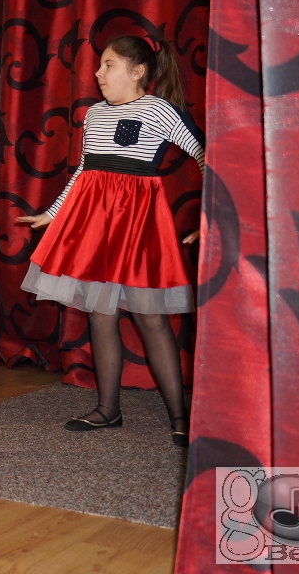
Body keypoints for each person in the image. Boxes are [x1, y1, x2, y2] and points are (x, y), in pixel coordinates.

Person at [16, 34, 203, 447]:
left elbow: (207, 156)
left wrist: (213, 216)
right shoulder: (95, 113)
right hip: (98, 229)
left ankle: (181, 416)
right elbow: (84, 172)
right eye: (100, 65)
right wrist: (53, 213)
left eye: (108, 65)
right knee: (101, 315)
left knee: (150, 318)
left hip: (138, 229)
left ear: (137, 72)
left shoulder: (159, 110)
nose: (98, 73)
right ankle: (108, 409)